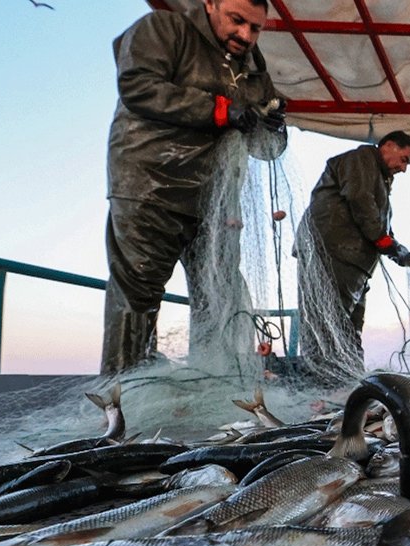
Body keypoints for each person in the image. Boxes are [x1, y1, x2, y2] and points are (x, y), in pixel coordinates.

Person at [101, 0, 288, 375]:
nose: (246, 36)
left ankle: (214, 389)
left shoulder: (252, 67)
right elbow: (137, 84)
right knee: (138, 294)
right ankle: (120, 400)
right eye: (237, 21)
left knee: (218, 298)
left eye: (256, 28)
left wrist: (273, 127)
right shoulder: (165, 29)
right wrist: (220, 110)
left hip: (216, 202)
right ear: (211, 4)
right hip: (152, 186)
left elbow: (270, 148)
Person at [294, 131, 410, 380]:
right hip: (332, 253)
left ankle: (347, 383)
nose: (403, 169)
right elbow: (360, 199)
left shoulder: (380, 181)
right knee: (326, 322)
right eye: (403, 159)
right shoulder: (362, 159)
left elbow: (377, 220)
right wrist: (383, 241)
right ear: (389, 145)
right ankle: (321, 383)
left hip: (354, 263)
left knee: (349, 328)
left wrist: (396, 248)